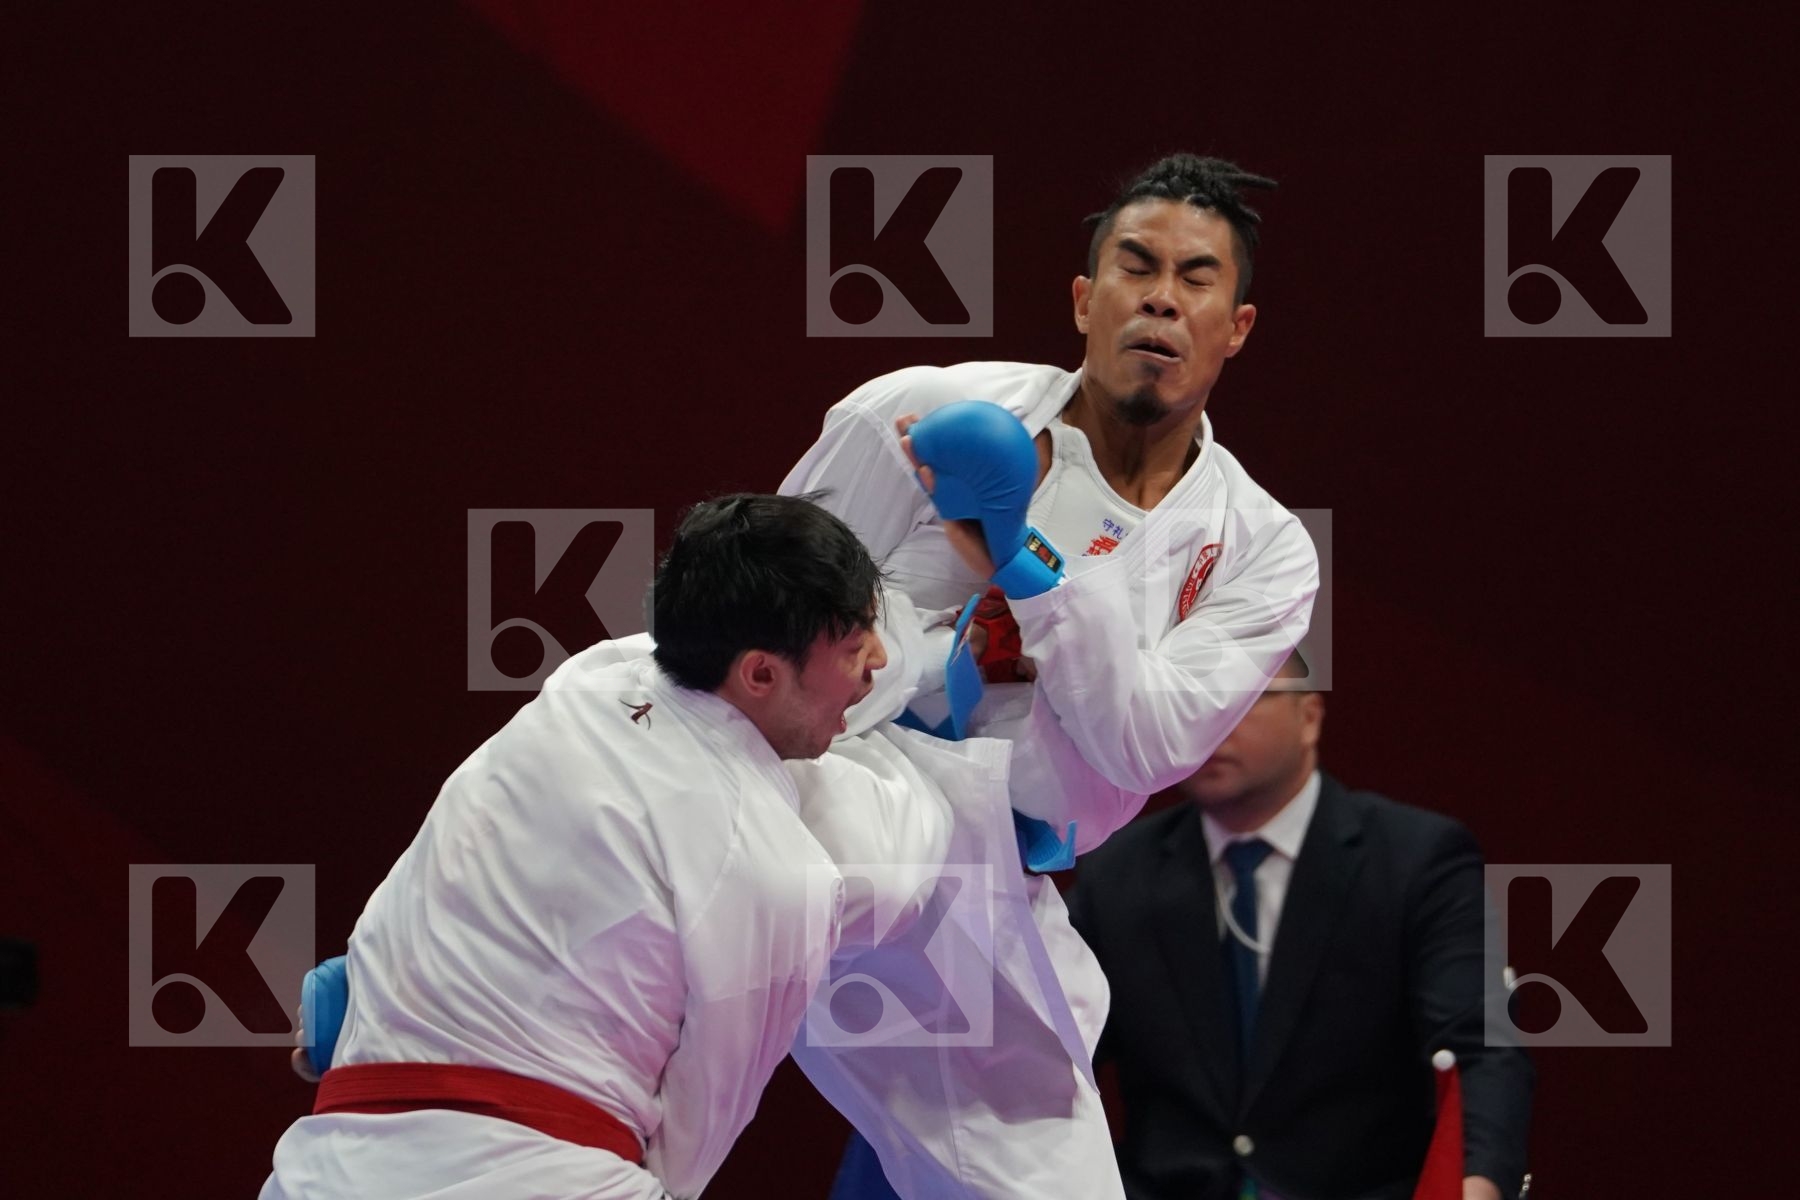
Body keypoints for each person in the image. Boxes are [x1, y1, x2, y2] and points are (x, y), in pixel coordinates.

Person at [780, 154, 1319, 1197]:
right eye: (1137, 264)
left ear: (1236, 327)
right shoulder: (926, 411)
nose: (1162, 294)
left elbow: (1144, 745)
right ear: (1084, 298)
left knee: (1037, 1177)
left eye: (1196, 277)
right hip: (831, 787)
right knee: (627, 960)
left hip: (990, 870)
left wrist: (1022, 559)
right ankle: (389, 1009)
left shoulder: (1261, 546)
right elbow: (764, 601)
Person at [261, 493, 894, 1200]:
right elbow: (694, 1136)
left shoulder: (587, 677)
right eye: (854, 643)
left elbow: (462, 842)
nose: (880, 659)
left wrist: (380, 983)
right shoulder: (782, 873)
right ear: (759, 673)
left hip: (327, 1164)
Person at [1066, 654, 1534, 1200]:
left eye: (1238, 703)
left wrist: (1475, 1187)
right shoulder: (1118, 872)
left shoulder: (1415, 859)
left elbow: (1478, 1046)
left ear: (1309, 716)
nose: (1210, 726)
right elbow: (1051, 1055)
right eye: (1190, 707)